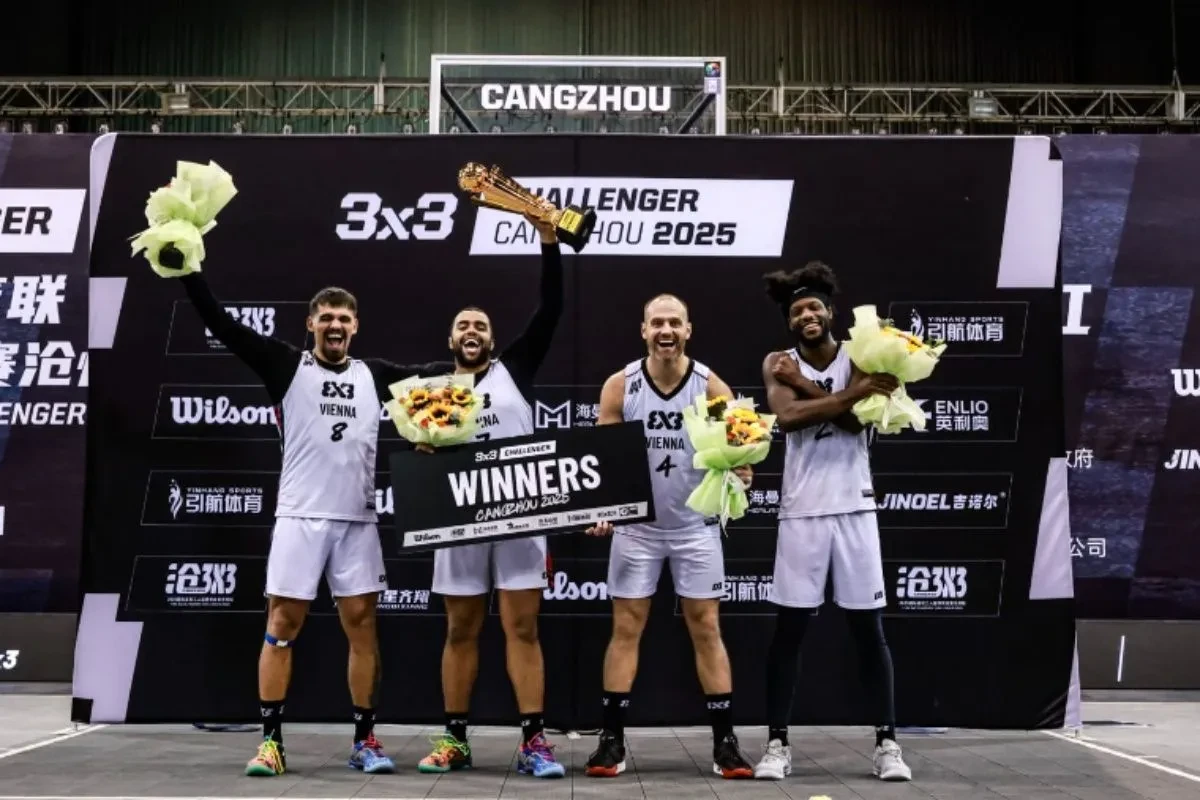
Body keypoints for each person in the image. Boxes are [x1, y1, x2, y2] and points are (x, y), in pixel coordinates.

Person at [176, 269, 452, 778]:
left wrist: (477, 365)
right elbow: (224, 326)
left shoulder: (376, 376)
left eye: (343, 318)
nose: (335, 325)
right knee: (281, 626)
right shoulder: (286, 365)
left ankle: (365, 740)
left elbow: (440, 381)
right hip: (299, 516)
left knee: (363, 630)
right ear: (310, 324)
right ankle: (271, 744)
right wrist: (190, 274)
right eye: (326, 317)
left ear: (355, 326)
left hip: (356, 520)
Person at [415, 218, 567, 780]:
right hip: (457, 519)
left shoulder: (515, 370)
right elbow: (417, 450)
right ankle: (455, 739)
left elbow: (550, 309)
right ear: (451, 340)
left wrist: (548, 241)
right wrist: (423, 449)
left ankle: (534, 742)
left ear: (492, 339)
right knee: (460, 629)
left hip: (520, 514)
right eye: (463, 325)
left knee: (522, 628)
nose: (472, 330)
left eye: (480, 324)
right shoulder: (430, 388)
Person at [583, 293, 756, 780]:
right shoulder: (621, 385)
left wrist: (742, 471)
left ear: (688, 330)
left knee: (706, 627)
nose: (666, 331)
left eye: (674, 323)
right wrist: (603, 510)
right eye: (657, 323)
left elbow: (739, 454)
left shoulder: (710, 385)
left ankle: (725, 743)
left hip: (694, 527)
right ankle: (611, 741)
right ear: (643, 330)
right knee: (626, 628)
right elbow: (604, 460)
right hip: (638, 530)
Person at [752, 260, 912, 782]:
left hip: (855, 506)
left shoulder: (860, 355)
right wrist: (842, 392)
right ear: (789, 321)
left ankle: (887, 744)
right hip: (801, 509)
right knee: (789, 632)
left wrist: (805, 384)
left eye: (814, 307)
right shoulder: (776, 361)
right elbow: (788, 418)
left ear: (830, 312)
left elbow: (852, 424)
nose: (806, 315)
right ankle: (777, 745)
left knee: (869, 630)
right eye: (797, 311)